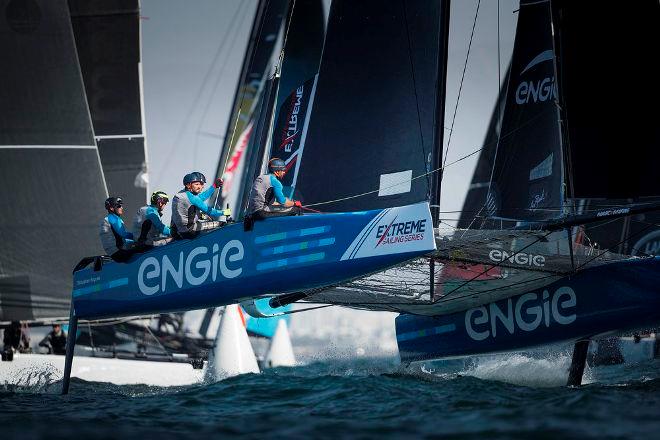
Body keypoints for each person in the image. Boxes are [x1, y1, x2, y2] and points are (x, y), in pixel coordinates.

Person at [171, 172, 231, 239]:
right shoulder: (192, 198)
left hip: (177, 232)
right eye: (196, 184)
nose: (200, 187)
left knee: (204, 218)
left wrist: (214, 186)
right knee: (222, 224)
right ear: (188, 185)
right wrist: (224, 212)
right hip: (190, 231)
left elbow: (201, 198)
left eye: (201, 184)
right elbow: (210, 211)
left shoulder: (180, 194)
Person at [100, 196, 142, 262]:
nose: (122, 207)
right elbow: (124, 234)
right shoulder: (113, 218)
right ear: (111, 208)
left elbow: (121, 239)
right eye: (119, 206)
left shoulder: (109, 218)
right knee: (145, 246)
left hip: (114, 253)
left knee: (136, 243)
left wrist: (134, 241)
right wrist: (139, 236)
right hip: (119, 253)